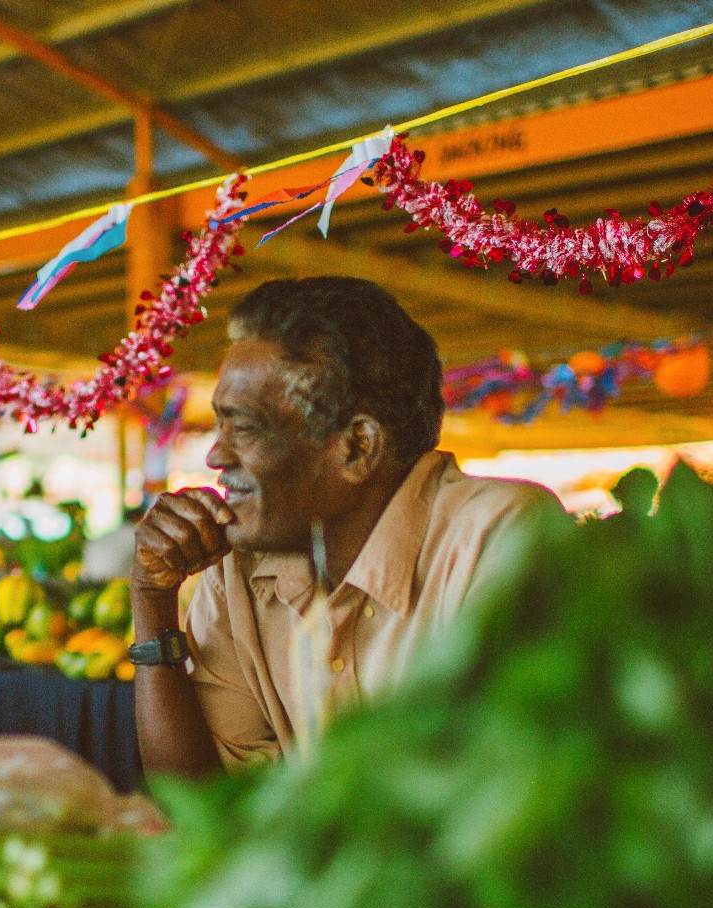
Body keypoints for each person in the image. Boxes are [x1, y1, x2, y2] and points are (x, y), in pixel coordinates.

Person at [130, 276, 558, 776]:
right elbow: (205, 802)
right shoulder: (239, 562)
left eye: (243, 427)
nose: (216, 455)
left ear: (356, 447)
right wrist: (151, 596)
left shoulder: (503, 538)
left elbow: (498, 803)